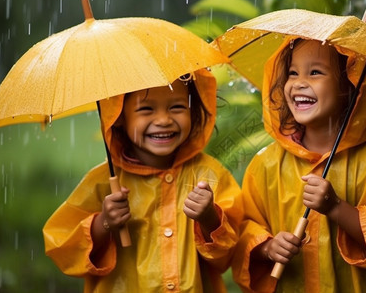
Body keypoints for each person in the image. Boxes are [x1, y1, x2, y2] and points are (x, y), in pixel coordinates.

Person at [231, 39, 366, 292]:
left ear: (351, 86)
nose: (299, 82)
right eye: (292, 73)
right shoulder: (265, 165)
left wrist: (336, 208)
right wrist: (267, 248)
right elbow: (244, 228)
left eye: (315, 72)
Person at [43, 68, 242, 292]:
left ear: (193, 111)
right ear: (117, 117)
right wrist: (104, 223)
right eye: (146, 109)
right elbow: (63, 250)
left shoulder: (209, 175)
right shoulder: (101, 183)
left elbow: (229, 255)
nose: (163, 120)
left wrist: (209, 219)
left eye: (177, 107)